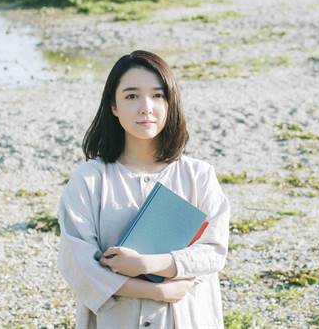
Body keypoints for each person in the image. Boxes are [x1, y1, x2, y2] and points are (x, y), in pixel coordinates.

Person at [57, 50, 230, 329]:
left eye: (158, 95)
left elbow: (213, 251)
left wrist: (148, 264)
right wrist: (157, 291)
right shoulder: (90, 179)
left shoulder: (198, 175)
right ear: (113, 105)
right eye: (131, 96)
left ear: (170, 103)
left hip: (186, 319)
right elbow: (78, 264)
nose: (146, 107)